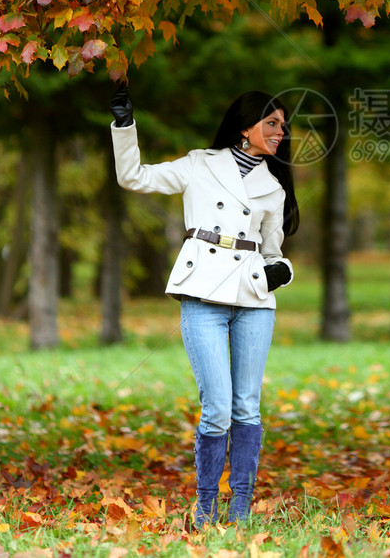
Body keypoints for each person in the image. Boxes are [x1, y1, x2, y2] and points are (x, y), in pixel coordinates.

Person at [109, 86, 299, 526]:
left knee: (247, 407)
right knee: (216, 405)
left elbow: (274, 251)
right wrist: (124, 125)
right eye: (272, 123)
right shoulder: (199, 165)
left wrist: (278, 272)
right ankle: (206, 506)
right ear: (244, 126)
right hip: (202, 294)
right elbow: (134, 177)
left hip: (253, 298)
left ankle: (241, 508)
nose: (280, 132)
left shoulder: (272, 187)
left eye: (283, 125)